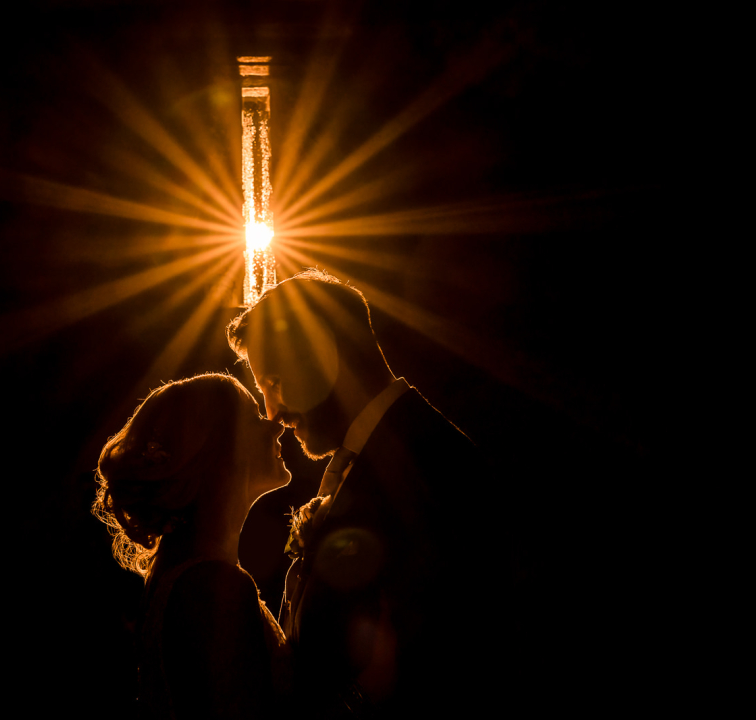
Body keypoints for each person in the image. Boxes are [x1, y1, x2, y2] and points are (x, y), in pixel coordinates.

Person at [226, 269, 511, 715]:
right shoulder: (380, 454)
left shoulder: (427, 465)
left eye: (273, 383)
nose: (272, 412)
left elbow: (441, 666)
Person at [93, 373, 294, 719]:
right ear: (218, 450)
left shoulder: (185, 570)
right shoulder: (212, 587)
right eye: (254, 418)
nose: (276, 427)